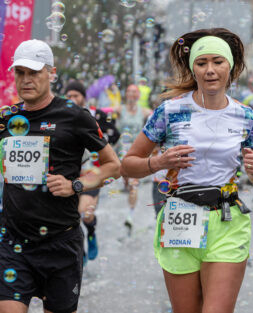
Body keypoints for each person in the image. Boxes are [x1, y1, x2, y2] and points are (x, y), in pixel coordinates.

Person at [120, 28, 253, 313]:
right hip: (181, 217)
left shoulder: (245, 116)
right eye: (202, 63)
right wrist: (159, 163)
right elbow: (128, 164)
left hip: (226, 220)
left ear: (231, 66)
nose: (210, 70)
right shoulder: (169, 111)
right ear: (193, 68)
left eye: (218, 62)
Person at [0, 39, 121, 313]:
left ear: (51, 74)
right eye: (20, 72)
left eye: (34, 72)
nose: (26, 79)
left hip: (60, 242)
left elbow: (113, 165)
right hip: (12, 243)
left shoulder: (74, 116)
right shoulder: (5, 119)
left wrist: (75, 185)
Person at [64, 80, 121, 264]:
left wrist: (98, 142)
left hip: (92, 172)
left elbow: (116, 133)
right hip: (68, 174)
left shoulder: (95, 115)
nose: (72, 99)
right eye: (69, 96)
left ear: (83, 97)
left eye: (76, 95)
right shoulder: (60, 117)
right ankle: (78, 249)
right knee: (71, 216)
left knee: (84, 213)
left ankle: (91, 232)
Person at [116, 84, 152, 233]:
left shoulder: (144, 112)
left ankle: (130, 216)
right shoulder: (118, 110)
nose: (131, 94)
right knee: (126, 179)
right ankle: (126, 184)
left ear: (138, 96)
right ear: (125, 94)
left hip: (136, 151)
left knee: (133, 183)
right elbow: (100, 112)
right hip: (121, 149)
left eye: (134, 92)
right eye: (129, 91)